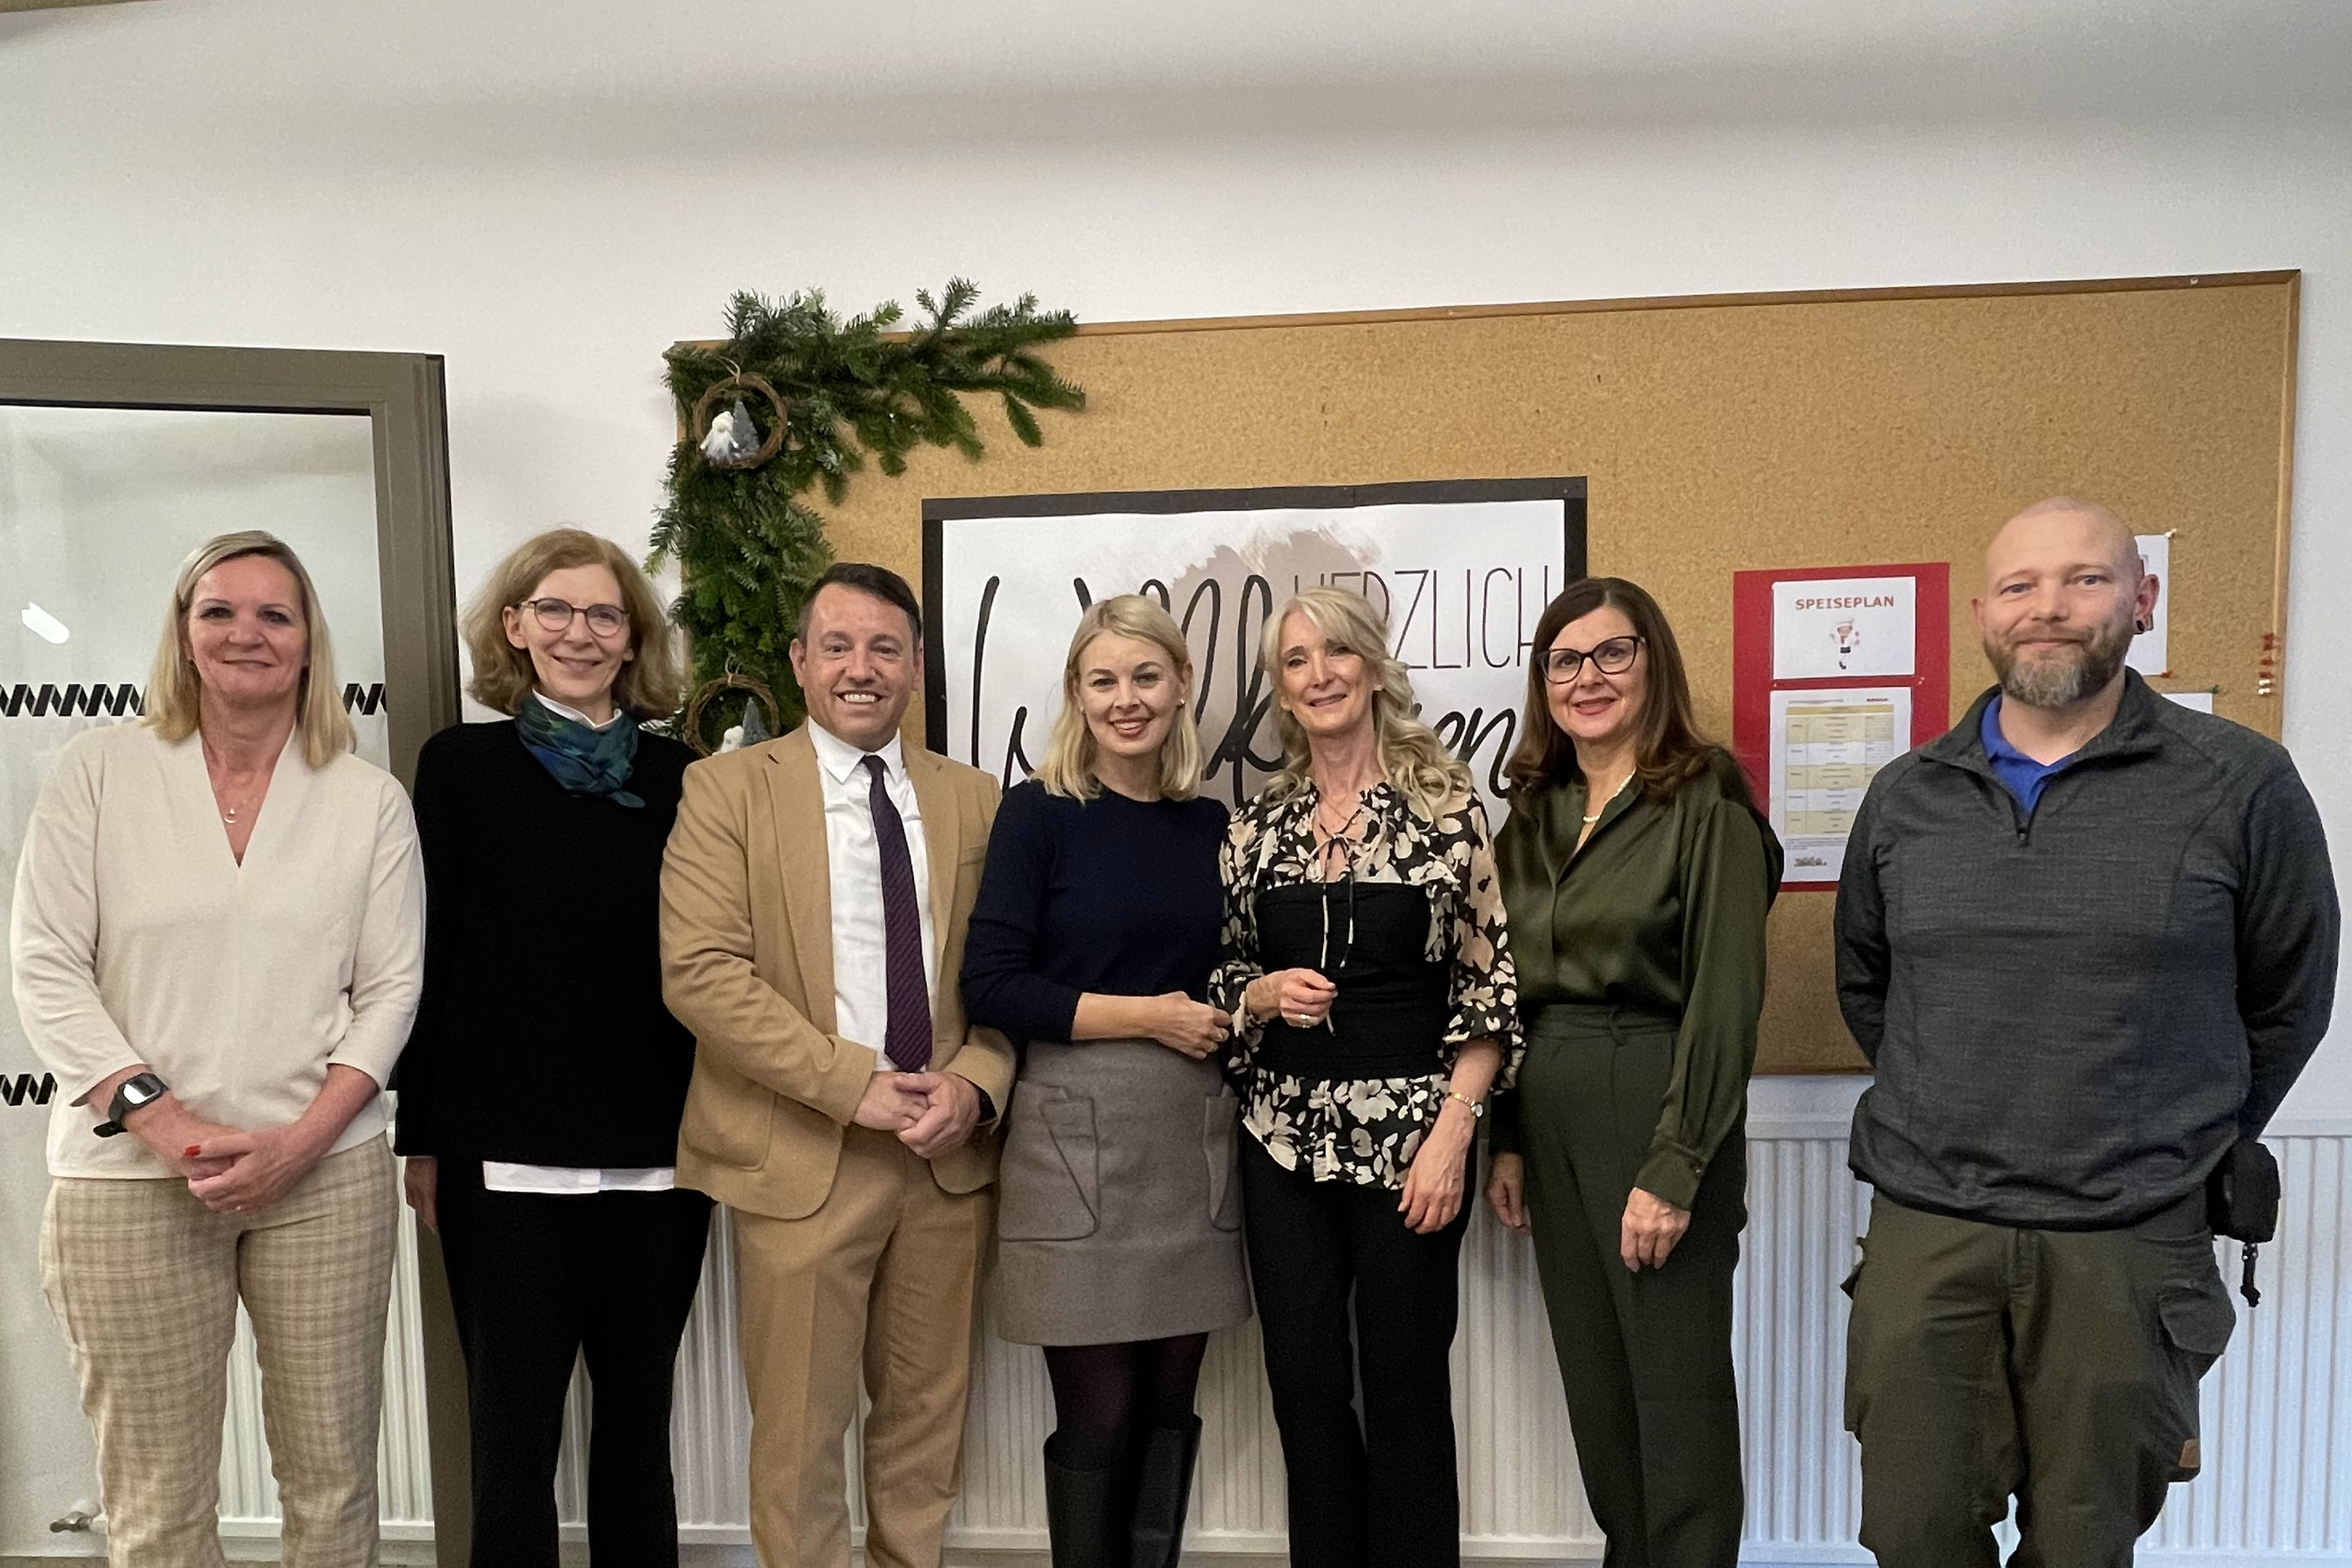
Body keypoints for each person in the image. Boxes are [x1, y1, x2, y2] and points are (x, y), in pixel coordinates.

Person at [1834, 497, 2340, 1568]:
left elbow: (2289, 993)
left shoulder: (2240, 783)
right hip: (1931, 1223)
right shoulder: (1906, 796)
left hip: (2129, 1237)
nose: (2049, 608)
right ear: (1984, 613)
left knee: (2083, 1545)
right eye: (2020, 586)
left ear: (2141, 599)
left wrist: (2174, 1130)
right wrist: (1956, 1095)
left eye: (2086, 579)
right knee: (1913, 1532)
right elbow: (1869, 983)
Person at [10, 530, 424, 1568]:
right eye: (220, 611)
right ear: (184, 633)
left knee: (334, 1482)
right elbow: (46, 966)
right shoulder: (99, 771)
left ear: (309, 642)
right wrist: (164, 1122)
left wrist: (299, 1142)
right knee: (158, 1500)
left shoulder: (366, 799)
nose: (248, 633)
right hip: (128, 1180)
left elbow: (389, 991)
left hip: (323, 1177)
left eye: (275, 614)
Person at [659, 561, 1017, 1568]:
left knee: (926, 1425)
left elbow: (1009, 973)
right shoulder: (728, 789)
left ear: (916, 667)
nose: (862, 667)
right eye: (839, 646)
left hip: (944, 1161)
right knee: (801, 1437)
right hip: (802, 1156)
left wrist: (977, 1083)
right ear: (800, 661)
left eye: (885, 648)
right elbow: (700, 972)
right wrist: (850, 1083)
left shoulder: (975, 798)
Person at [390, 528, 707, 1567]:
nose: (581, 632)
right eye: (556, 610)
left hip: (658, 1155)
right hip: (502, 1158)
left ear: (633, 639)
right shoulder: (459, 768)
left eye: (604, 614)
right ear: (515, 627)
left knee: (638, 1430)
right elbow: (430, 954)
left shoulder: (685, 778)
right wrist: (423, 1137)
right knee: (511, 1438)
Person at [1208, 585, 1521, 1568]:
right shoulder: (1256, 825)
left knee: (1405, 1384)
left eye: (1336, 652)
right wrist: (1262, 994)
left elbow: (1488, 984)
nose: (1320, 675)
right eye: (1296, 661)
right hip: (1281, 1141)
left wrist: (1454, 1134)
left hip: (1415, 1141)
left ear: (1375, 667)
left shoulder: (1448, 811)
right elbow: (1223, 973)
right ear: (1280, 690)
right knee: (1303, 1384)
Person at [1485, 577, 1782, 1568]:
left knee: (1675, 1395)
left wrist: (1677, 1162)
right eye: (1565, 660)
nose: (1589, 677)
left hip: (1657, 1095)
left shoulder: (1706, 797)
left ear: (1653, 661)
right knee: (1602, 1395)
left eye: (1613, 652)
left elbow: (1726, 997)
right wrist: (1508, 1135)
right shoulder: (1535, 813)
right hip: (1553, 1105)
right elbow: (1505, 989)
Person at [961, 595, 1251, 1568]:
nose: (1127, 699)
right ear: (1077, 696)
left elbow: (1235, 972)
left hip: (1189, 1142)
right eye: (1104, 680)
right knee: (1099, 1414)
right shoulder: (1037, 814)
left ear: (1182, 686)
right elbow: (993, 984)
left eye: (1146, 677)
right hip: (1069, 1142)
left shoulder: (1212, 825)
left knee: (1169, 1407)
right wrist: (1152, 1014)